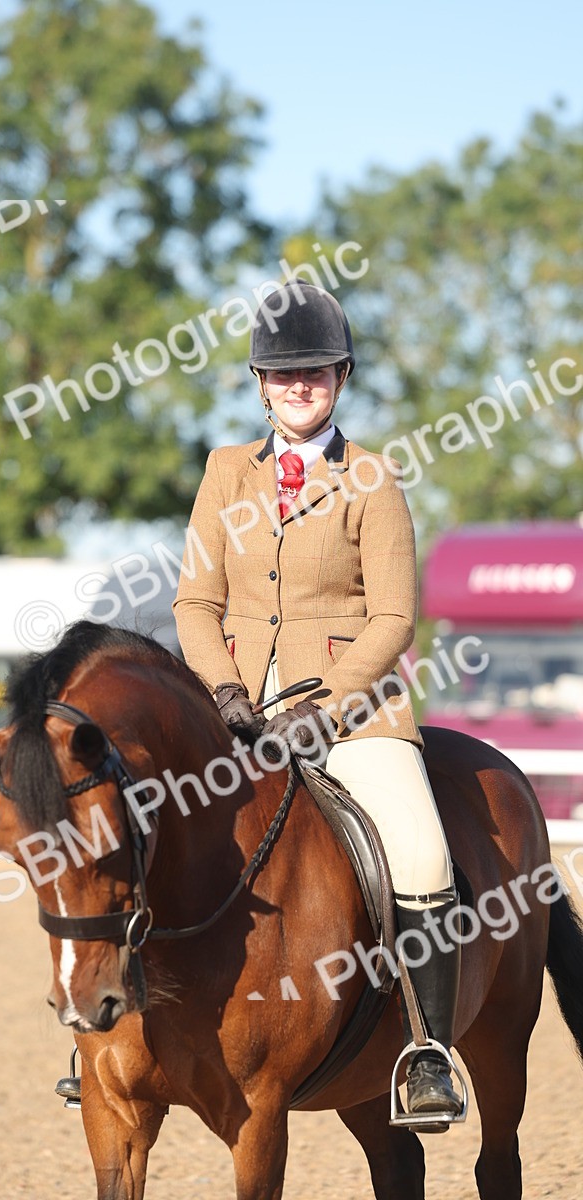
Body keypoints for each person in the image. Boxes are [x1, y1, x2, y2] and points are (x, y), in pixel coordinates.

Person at [172, 279, 463, 1122]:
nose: (299, 386)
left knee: (421, 855)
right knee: (144, 820)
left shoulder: (373, 477)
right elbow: (195, 602)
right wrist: (224, 687)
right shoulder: (224, 472)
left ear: (341, 376)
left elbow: (395, 618)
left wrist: (327, 710)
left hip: (354, 709)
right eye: (283, 374)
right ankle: (117, 1034)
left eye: (315, 372)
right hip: (239, 705)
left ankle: (428, 1052)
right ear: (260, 383)